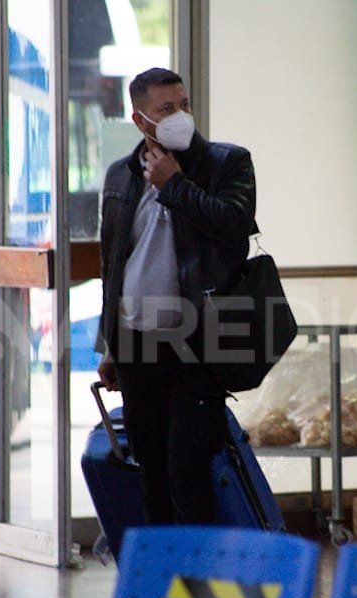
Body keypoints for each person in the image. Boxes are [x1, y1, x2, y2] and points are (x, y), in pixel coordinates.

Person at [95, 67, 257, 525]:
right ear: (140, 119)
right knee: (152, 471)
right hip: (137, 343)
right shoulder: (121, 177)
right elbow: (113, 264)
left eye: (184, 105)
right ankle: (164, 583)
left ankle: (199, 584)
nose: (180, 116)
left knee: (189, 470)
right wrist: (110, 346)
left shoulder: (227, 164)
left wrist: (176, 186)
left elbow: (234, 225)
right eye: (166, 109)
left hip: (199, 342)